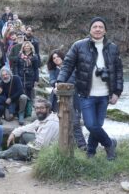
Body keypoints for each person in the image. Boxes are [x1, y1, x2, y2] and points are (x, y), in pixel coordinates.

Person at [57, 17, 123, 160]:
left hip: (105, 94)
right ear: (90, 29)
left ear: (105, 30)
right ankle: (109, 144)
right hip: (86, 94)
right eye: (95, 27)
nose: (98, 29)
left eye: (101, 27)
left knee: (97, 125)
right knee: (90, 125)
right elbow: (68, 64)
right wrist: (60, 81)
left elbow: (118, 72)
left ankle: (90, 153)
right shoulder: (79, 46)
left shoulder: (112, 48)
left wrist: (117, 92)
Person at [47, 50, 87, 151]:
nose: (56, 59)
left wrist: (59, 84)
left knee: (75, 121)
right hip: (57, 98)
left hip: (74, 96)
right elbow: (51, 80)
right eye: (54, 58)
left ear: (62, 56)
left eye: (57, 57)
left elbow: (73, 80)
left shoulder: (71, 66)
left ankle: (82, 146)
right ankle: (63, 145)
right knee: (59, 120)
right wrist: (55, 84)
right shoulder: (53, 70)